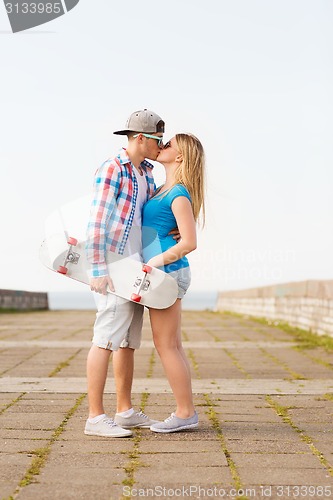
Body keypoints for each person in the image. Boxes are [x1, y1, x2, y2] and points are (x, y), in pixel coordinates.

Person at [84, 109, 167, 438]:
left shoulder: (146, 174)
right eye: (157, 140)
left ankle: (124, 411)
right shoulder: (113, 168)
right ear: (141, 138)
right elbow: (97, 221)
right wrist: (97, 269)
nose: (160, 146)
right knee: (104, 339)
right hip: (112, 267)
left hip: (135, 269)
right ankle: (95, 417)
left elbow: (149, 220)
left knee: (129, 342)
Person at [142, 133, 205, 433]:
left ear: (179, 157)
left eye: (168, 145)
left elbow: (190, 241)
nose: (162, 146)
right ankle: (186, 411)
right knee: (173, 345)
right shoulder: (160, 189)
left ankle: (185, 412)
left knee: (166, 345)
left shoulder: (178, 193)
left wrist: (154, 263)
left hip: (167, 273)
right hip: (164, 273)